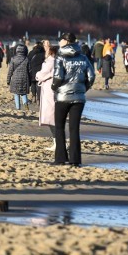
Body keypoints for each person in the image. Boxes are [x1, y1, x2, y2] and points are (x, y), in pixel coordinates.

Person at [51, 33, 95, 167]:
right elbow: (91, 76)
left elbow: (58, 77)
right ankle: (75, 160)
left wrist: (54, 87)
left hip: (63, 96)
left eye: (61, 39)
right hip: (79, 97)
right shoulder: (83, 57)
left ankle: (60, 158)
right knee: (74, 129)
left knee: (59, 127)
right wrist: (83, 89)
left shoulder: (60, 57)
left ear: (65, 41)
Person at [36, 45, 58, 151]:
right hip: (54, 90)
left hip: (49, 91)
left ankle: (57, 142)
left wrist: (37, 75)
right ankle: (57, 142)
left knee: (51, 118)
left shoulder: (50, 62)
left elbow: (41, 75)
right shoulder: (58, 61)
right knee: (53, 118)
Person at [7, 43, 31, 111]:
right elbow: (30, 71)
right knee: (24, 94)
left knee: (16, 94)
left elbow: (10, 70)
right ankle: (26, 107)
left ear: (16, 50)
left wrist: (8, 80)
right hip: (24, 79)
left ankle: (18, 108)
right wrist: (30, 81)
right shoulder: (27, 59)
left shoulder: (13, 59)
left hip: (15, 79)